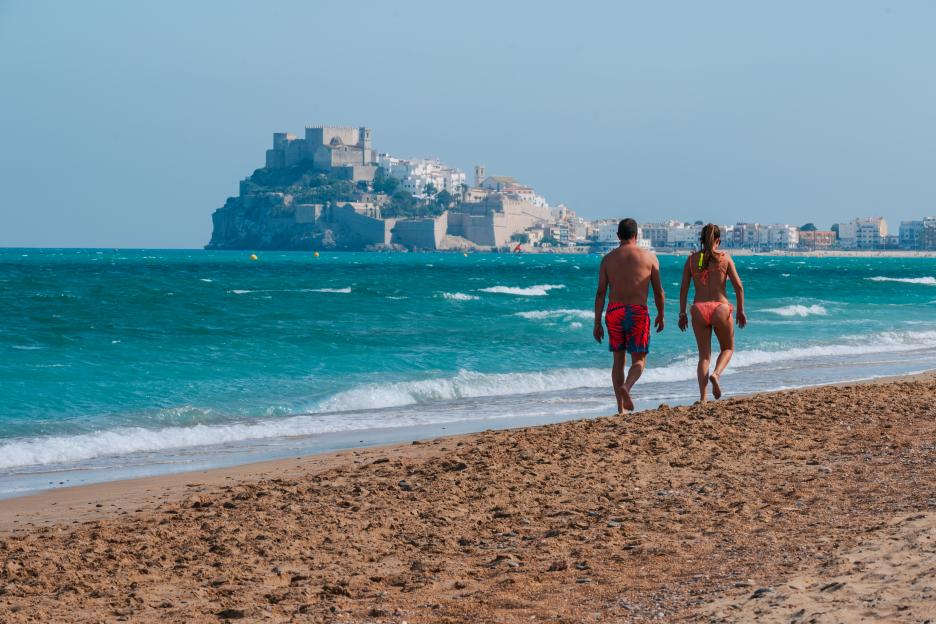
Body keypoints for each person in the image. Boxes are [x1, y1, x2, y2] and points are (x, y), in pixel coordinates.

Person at [593, 218, 665, 413]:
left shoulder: (607, 260)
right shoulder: (649, 258)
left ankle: (620, 409)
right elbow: (658, 292)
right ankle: (627, 386)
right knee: (639, 361)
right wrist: (661, 314)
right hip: (637, 311)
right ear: (636, 235)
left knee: (618, 361)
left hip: (614, 312)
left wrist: (597, 322)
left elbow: (600, 293)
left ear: (618, 236)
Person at [677, 223, 747, 402]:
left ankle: (703, 397)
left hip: (698, 309)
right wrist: (740, 311)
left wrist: (682, 314)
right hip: (720, 308)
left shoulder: (692, 260)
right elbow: (739, 287)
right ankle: (716, 374)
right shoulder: (725, 258)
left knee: (704, 356)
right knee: (728, 348)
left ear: (701, 239)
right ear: (718, 241)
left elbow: (683, 289)